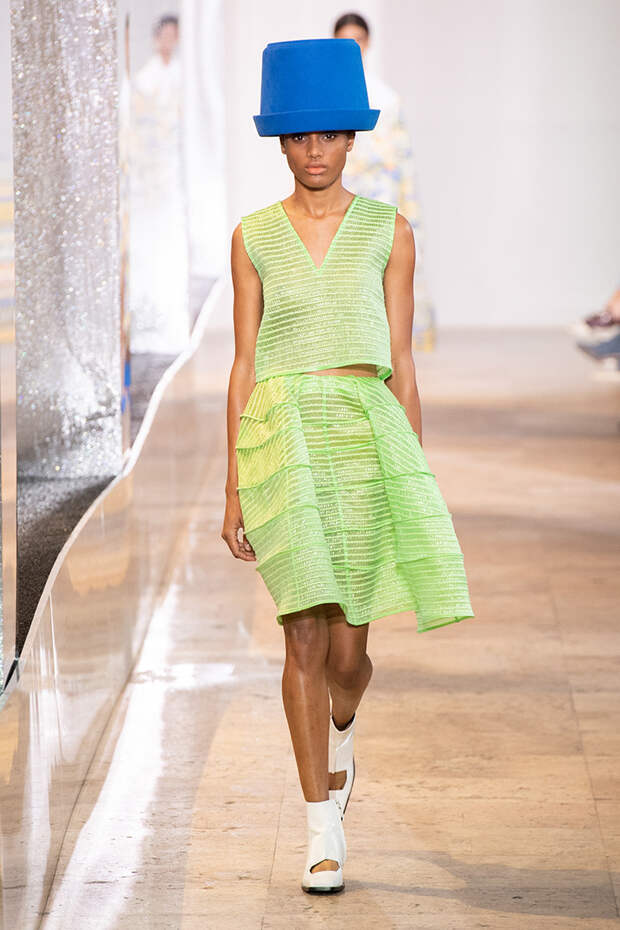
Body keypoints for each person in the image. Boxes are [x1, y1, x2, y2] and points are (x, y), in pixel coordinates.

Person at [222, 38, 474, 895]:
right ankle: (319, 825)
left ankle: (344, 721)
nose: (316, 150)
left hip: (365, 439)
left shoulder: (389, 233)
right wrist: (234, 486)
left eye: (329, 133)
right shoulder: (253, 237)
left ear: (352, 137)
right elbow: (244, 364)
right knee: (300, 633)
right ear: (281, 142)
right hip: (282, 438)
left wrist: (412, 476)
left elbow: (402, 363)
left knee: (347, 653)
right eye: (300, 136)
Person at [333, 12, 437, 351]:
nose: (351, 46)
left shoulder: (387, 97)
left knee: (379, 264)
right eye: (344, 39)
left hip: (379, 190)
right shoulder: (326, 94)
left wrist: (406, 204)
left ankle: (385, 342)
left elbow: (402, 157)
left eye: (357, 39)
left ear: (368, 43)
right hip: (338, 188)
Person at [128, 14, 190, 354]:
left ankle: (173, 325)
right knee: (150, 248)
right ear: (156, 38)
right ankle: (150, 324)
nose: (169, 41)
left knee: (171, 246)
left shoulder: (182, 75)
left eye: (173, 35)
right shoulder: (144, 79)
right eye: (164, 35)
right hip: (150, 175)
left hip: (173, 172)